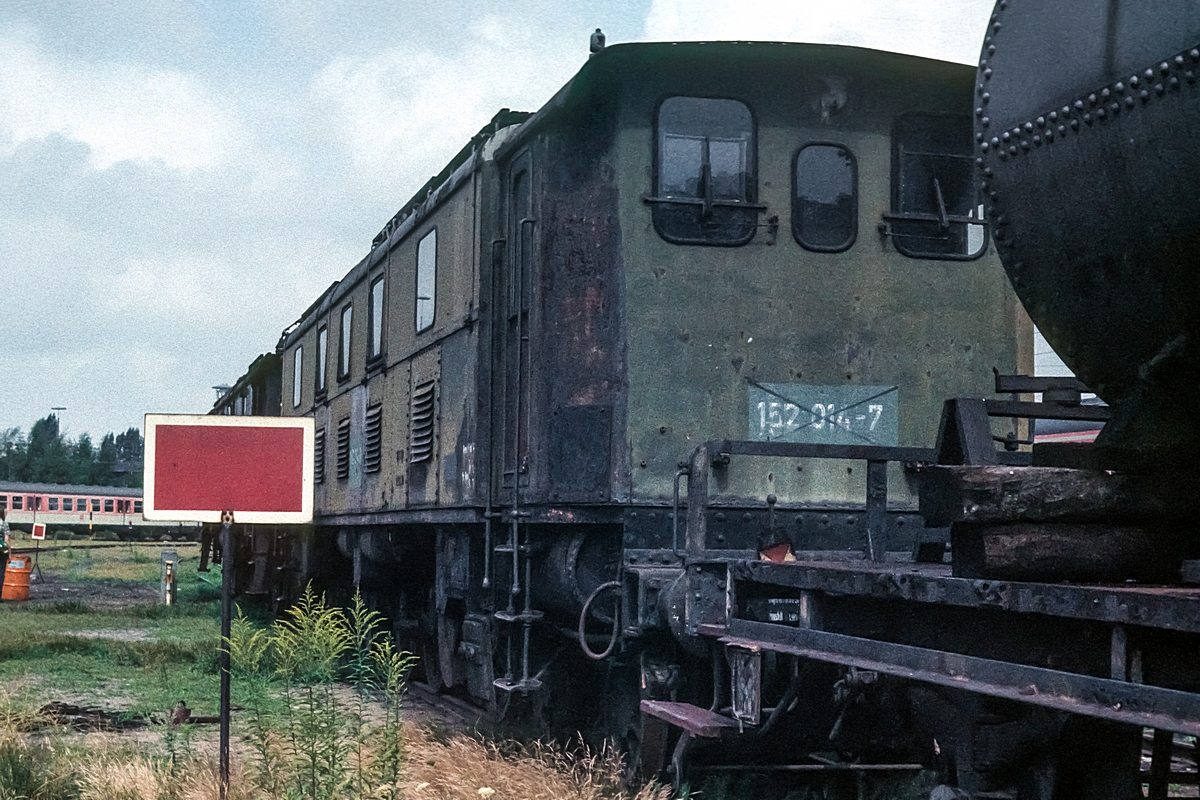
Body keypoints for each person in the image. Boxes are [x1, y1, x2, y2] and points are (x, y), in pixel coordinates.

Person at [0, 508, 9, 593]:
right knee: (1, 571)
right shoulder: (4, 524)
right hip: (1, 550)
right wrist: (9, 555)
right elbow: (6, 541)